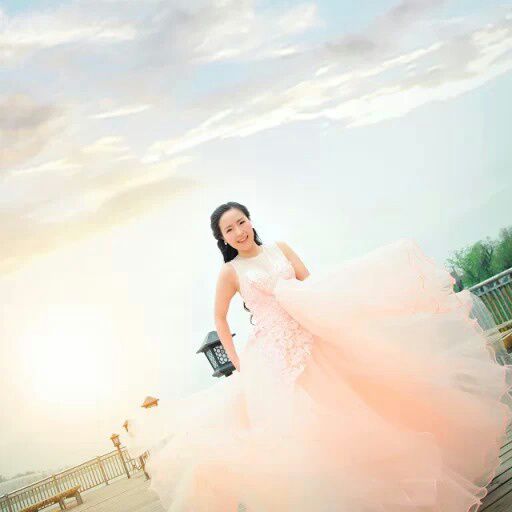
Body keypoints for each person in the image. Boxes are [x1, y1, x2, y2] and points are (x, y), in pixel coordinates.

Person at [122, 201, 512, 512]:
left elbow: (312, 286)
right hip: (274, 356)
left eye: (241, 222)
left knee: (361, 407)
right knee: (310, 433)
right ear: (222, 238)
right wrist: (238, 361)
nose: (239, 231)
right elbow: (220, 318)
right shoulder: (230, 272)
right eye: (229, 229)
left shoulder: (280, 249)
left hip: (314, 337)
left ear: (250, 221)